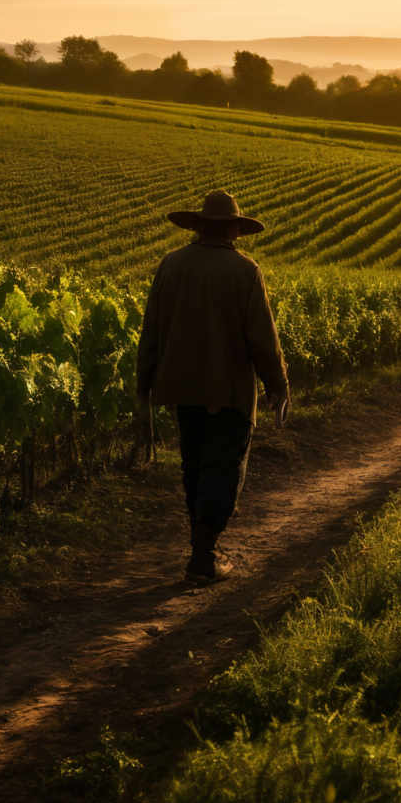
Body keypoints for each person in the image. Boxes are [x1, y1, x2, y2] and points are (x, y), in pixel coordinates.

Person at [137, 190, 290, 582]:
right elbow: (262, 338)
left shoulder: (171, 266)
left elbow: (151, 330)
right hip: (229, 390)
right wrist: (278, 385)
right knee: (224, 468)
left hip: (183, 388)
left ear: (200, 225)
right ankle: (203, 557)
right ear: (235, 231)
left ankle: (200, 549)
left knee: (195, 464)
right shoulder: (245, 271)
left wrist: (145, 383)